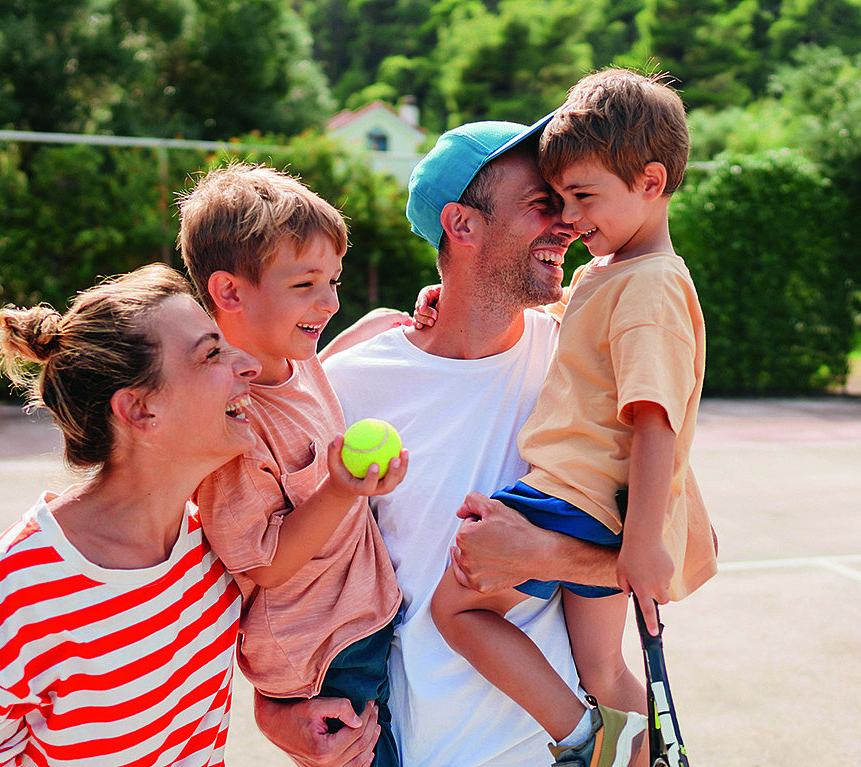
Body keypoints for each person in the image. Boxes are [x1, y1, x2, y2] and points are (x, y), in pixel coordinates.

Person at [254, 118, 612, 767]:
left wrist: (548, 553)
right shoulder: (350, 386)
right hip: (406, 749)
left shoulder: (579, 361)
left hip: (553, 750)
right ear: (462, 225)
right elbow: (272, 572)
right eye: (541, 204)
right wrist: (277, 713)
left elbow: (660, 557)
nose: (567, 223)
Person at [428, 68, 719, 767]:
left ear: (651, 183)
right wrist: (443, 296)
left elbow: (655, 422)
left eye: (584, 196)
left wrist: (645, 540)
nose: (571, 217)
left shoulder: (650, 286)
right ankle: (643, 752)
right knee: (605, 671)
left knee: (456, 609)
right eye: (559, 199)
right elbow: (572, 333)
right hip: (597, 505)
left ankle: (584, 740)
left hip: (570, 495)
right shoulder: (609, 274)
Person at [0, 263, 258, 767]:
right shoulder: (18, 588)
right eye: (212, 354)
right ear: (139, 411)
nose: (246, 363)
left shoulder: (214, 543)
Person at [178, 163, 409, 767]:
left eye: (333, 280)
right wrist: (340, 489)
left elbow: (312, 378)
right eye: (306, 285)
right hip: (323, 655)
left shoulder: (287, 352)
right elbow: (267, 564)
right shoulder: (229, 424)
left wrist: (380, 326)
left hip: (356, 620)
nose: (329, 301)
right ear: (230, 293)